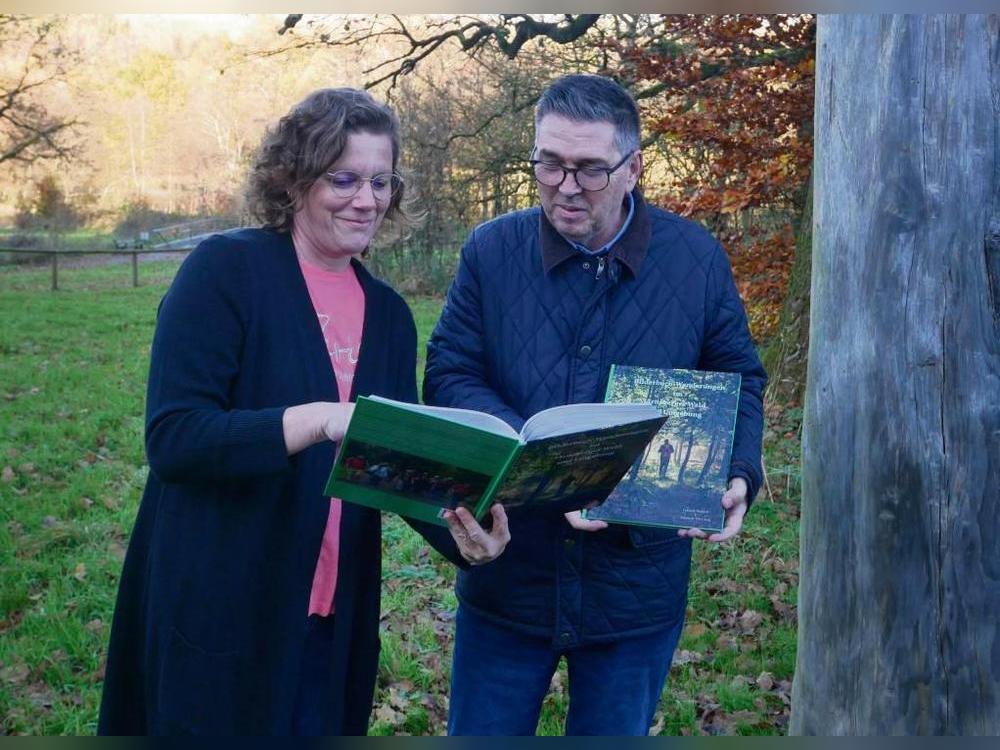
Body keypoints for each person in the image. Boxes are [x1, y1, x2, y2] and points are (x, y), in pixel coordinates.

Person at [98, 88, 509, 736]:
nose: (366, 198)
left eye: (380, 181)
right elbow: (175, 439)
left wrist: (466, 531)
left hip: (329, 623)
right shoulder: (225, 272)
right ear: (293, 180)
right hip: (220, 612)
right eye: (343, 178)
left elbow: (391, 467)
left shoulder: (391, 318)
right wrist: (317, 419)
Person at [424, 74, 766, 736]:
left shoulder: (693, 258)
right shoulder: (490, 252)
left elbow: (738, 375)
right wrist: (542, 453)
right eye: (548, 164)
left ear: (634, 167)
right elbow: (449, 371)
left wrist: (740, 469)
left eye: (588, 169)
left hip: (634, 587)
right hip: (510, 571)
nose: (565, 186)